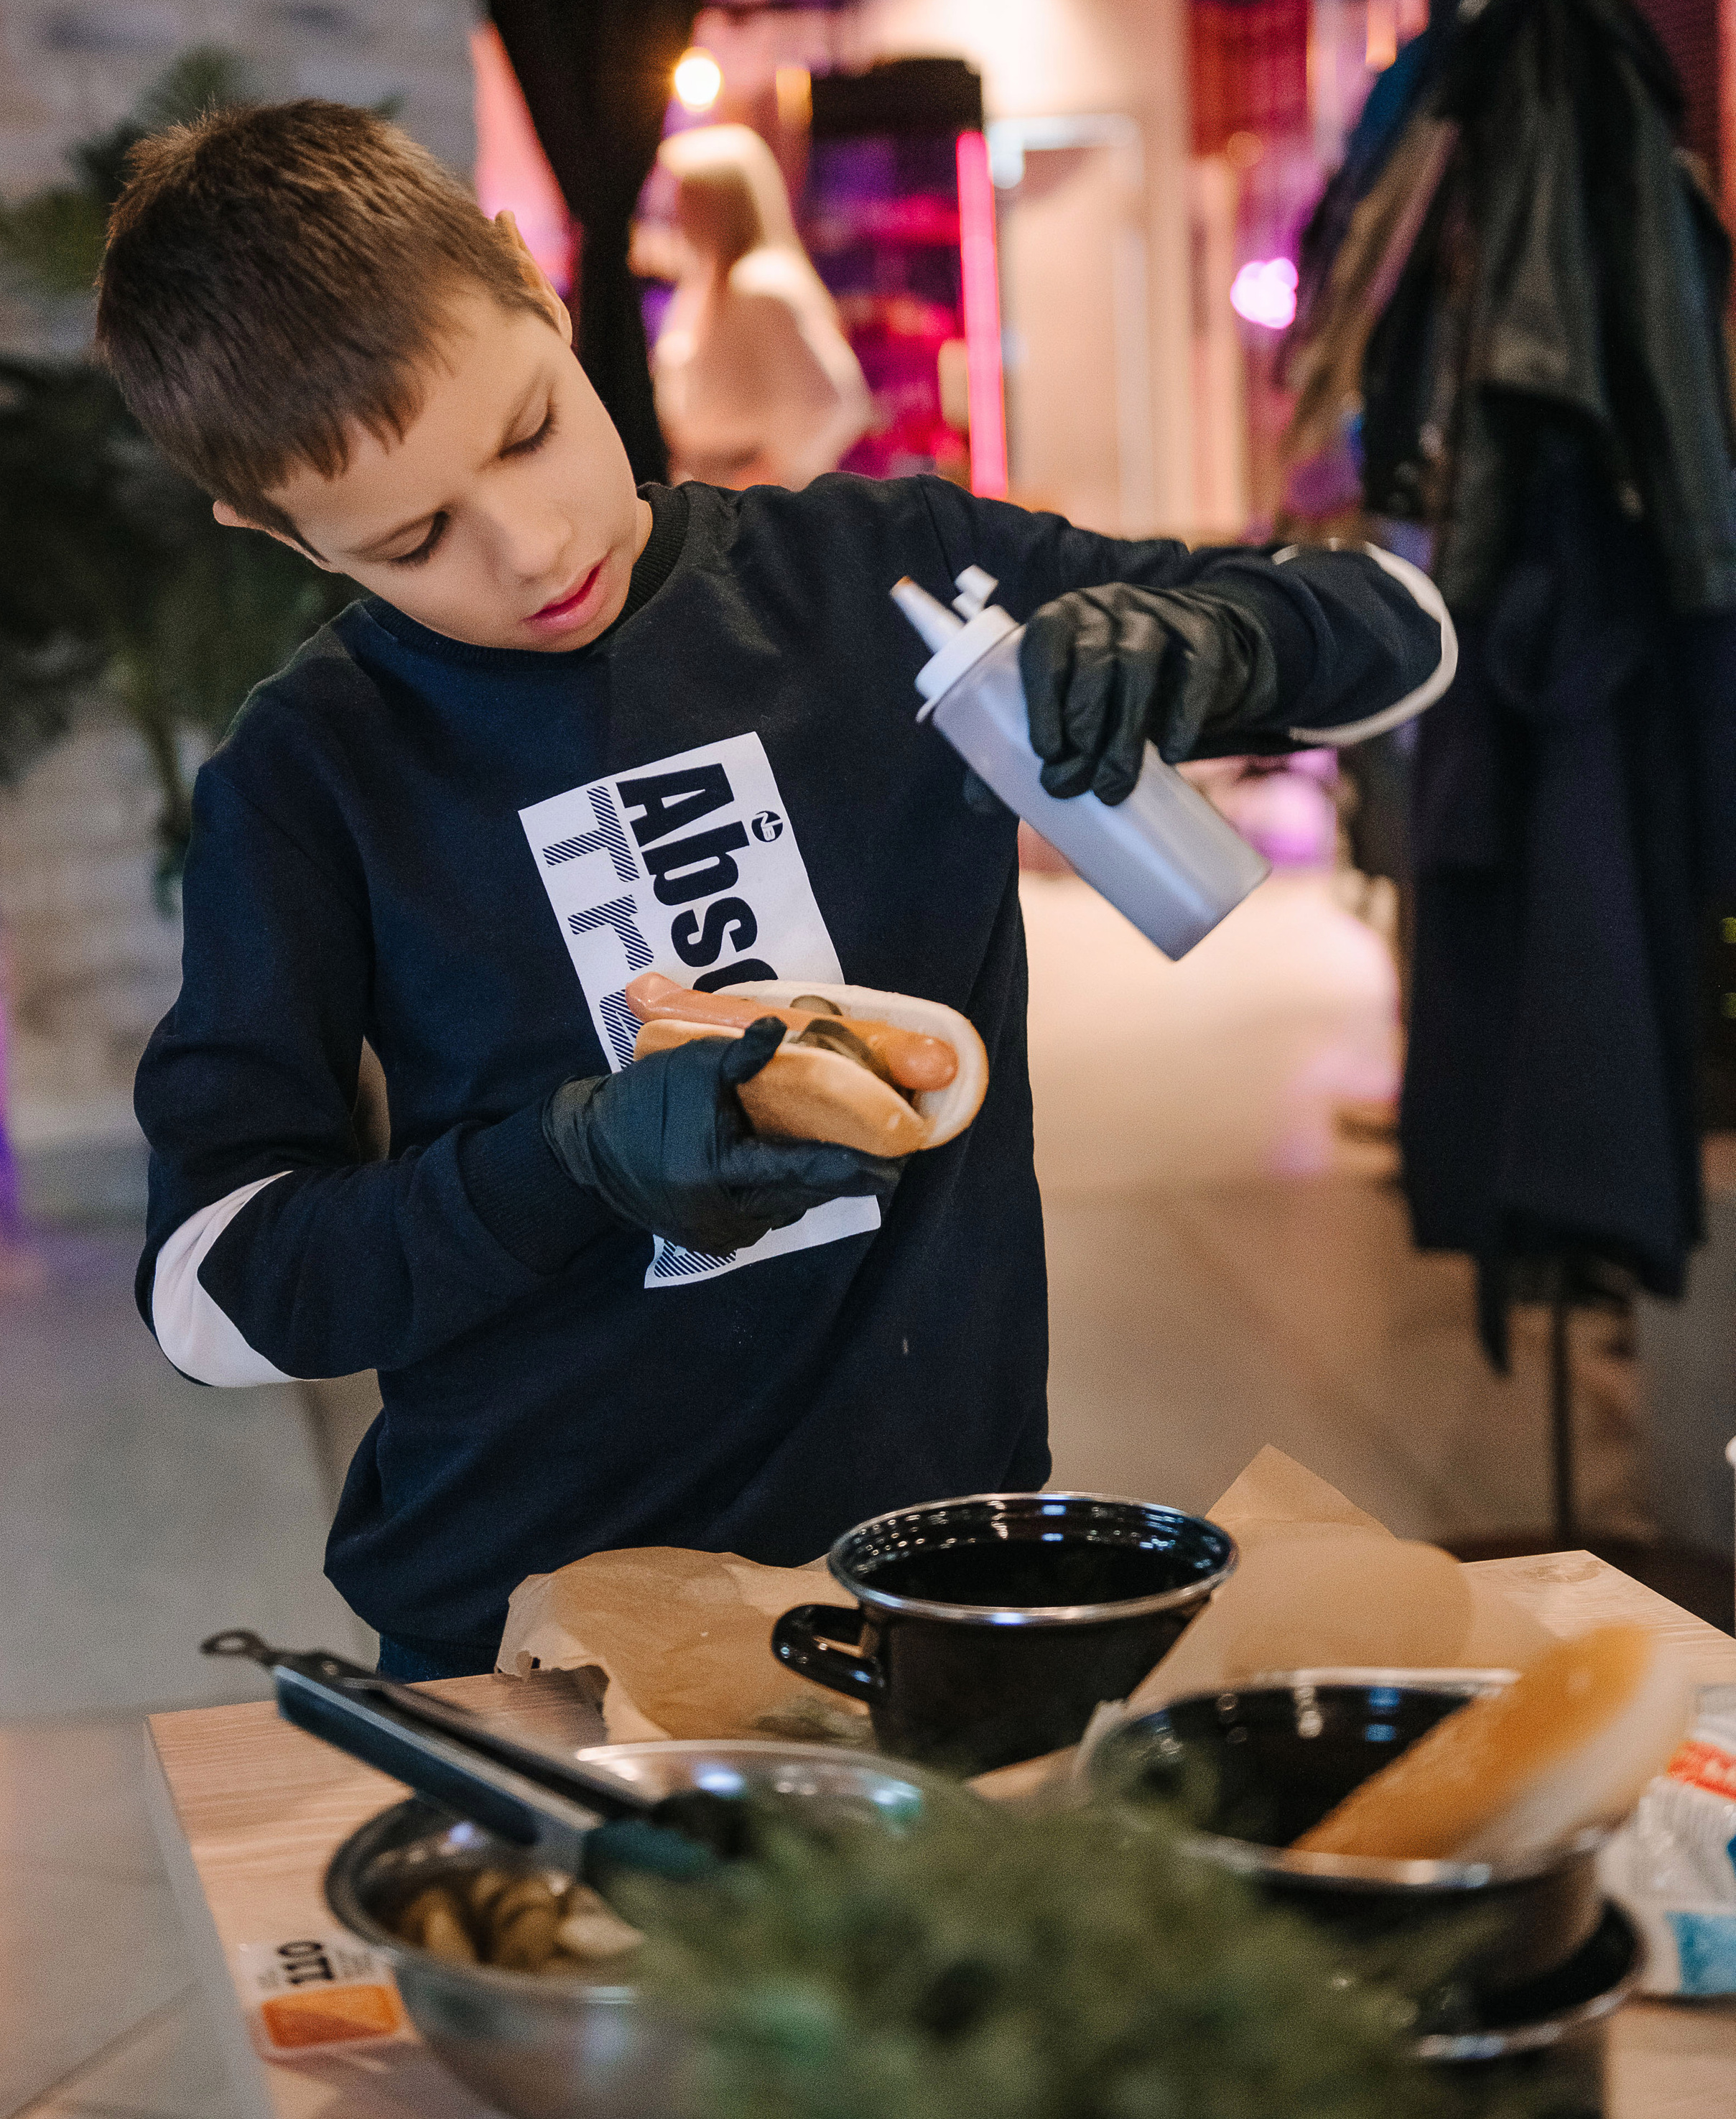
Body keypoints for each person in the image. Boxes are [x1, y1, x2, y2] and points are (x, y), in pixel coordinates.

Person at [97, 102, 1451, 1680]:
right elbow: (210, 1295)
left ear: (535, 287)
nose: (531, 550)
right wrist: (574, 1165)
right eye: (413, 539)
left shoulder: (875, 579)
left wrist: (1216, 644)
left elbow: (1399, 629)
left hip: (931, 1565)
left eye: (530, 429)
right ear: (270, 529)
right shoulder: (312, 773)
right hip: (526, 1622)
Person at [651, 121, 871, 488]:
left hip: (741, 492)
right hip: (704, 484)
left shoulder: (761, 285)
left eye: (687, 197)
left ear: (719, 202)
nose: (676, 213)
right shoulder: (705, 284)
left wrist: (768, 480)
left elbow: (835, 403)